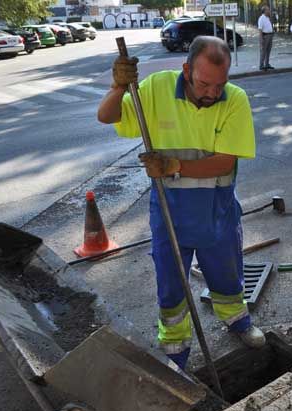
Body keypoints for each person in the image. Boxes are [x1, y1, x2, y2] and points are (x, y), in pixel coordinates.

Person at [97, 36, 266, 371]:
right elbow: (106, 116)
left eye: (221, 84)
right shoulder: (158, 88)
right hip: (169, 209)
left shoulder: (235, 99)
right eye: (205, 83)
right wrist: (118, 87)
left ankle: (238, 321)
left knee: (227, 273)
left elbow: (225, 162)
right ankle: (176, 351)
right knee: (171, 282)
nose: (213, 92)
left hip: (217, 209)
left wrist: (174, 165)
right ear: (187, 70)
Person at [258, 5, 274, 70]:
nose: (269, 11)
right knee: (263, 51)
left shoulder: (267, 17)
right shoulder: (261, 18)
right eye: (268, 10)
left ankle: (267, 64)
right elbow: (260, 30)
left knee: (268, 51)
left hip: (270, 35)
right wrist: (261, 39)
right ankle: (261, 65)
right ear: (264, 11)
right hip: (265, 36)